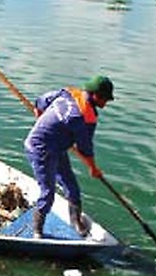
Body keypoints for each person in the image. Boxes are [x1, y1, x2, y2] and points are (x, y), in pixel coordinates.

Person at [23, 74, 113, 238]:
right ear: (95, 95)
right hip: (40, 150)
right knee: (48, 192)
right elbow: (85, 149)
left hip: (58, 148)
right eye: (104, 99)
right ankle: (37, 229)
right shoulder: (85, 117)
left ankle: (75, 220)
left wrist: (41, 117)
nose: (105, 104)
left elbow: (40, 102)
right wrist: (93, 169)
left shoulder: (68, 93)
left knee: (72, 186)